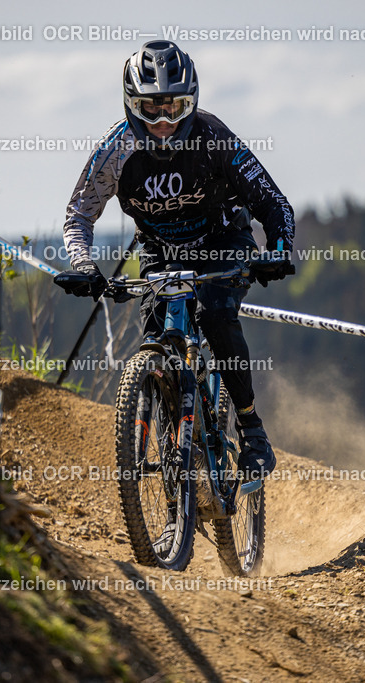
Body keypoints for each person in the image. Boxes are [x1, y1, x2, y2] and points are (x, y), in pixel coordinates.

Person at [56, 40, 295, 479]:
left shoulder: (214, 137)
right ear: (132, 106)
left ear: (193, 101)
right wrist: (85, 265)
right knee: (154, 336)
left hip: (222, 240)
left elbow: (274, 203)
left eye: (175, 108)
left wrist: (277, 250)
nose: (164, 122)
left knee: (216, 317)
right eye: (151, 111)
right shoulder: (116, 149)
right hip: (159, 249)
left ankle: (251, 428)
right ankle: (172, 447)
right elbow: (79, 213)